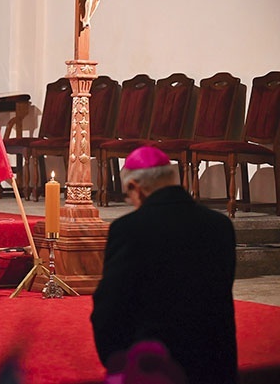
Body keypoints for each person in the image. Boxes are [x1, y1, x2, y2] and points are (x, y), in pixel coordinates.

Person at [91, 146, 238, 384]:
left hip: (157, 366)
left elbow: (111, 304)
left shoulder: (129, 229)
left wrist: (116, 360)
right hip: (214, 362)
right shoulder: (219, 225)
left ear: (134, 187)